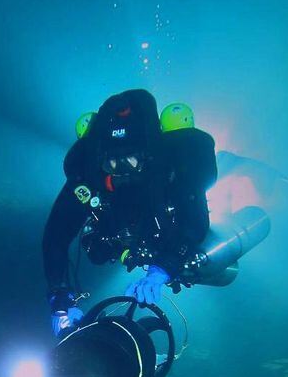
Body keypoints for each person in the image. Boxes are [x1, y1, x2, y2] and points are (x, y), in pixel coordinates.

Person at [42, 89, 217, 335]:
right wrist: (60, 300)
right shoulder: (88, 177)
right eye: (112, 164)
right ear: (99, 159)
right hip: (126, 241)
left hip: (166, 238)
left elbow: (195, 221)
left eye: (131, 160)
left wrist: (163, 268)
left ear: (148, 156)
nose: (122, 171)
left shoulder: (168, 165)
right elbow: (55, 236)